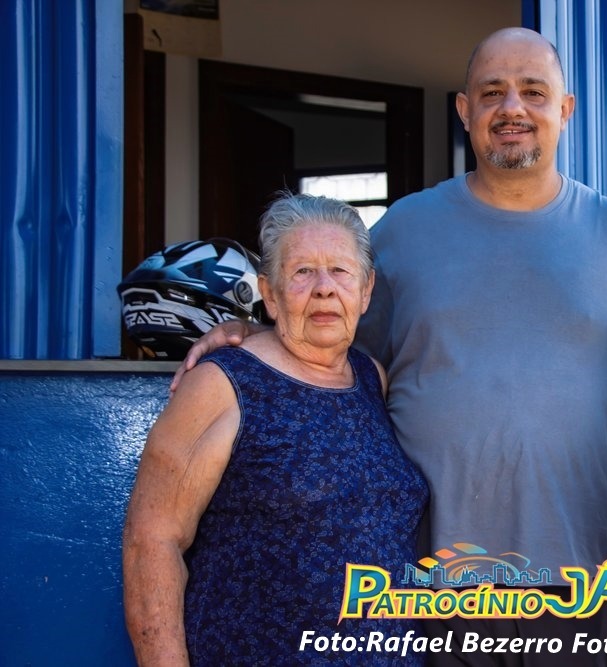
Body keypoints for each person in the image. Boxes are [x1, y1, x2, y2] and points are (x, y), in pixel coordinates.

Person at [172, 29, 607, 667]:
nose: (513, 108)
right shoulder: (403, 233)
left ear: (565, 110)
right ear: (464, 110)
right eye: (493, 92)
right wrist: (255, 336)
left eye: (533, 91)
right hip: (432, 588)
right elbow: (330, 349)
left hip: (581, 586)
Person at [122, 193, 429, 666]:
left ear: (366, 290)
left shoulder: (372, 378)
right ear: (269, 292)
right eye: (303, 271)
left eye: (340, 271)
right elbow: (152, 541)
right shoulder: (223, 382)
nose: (324, 288)